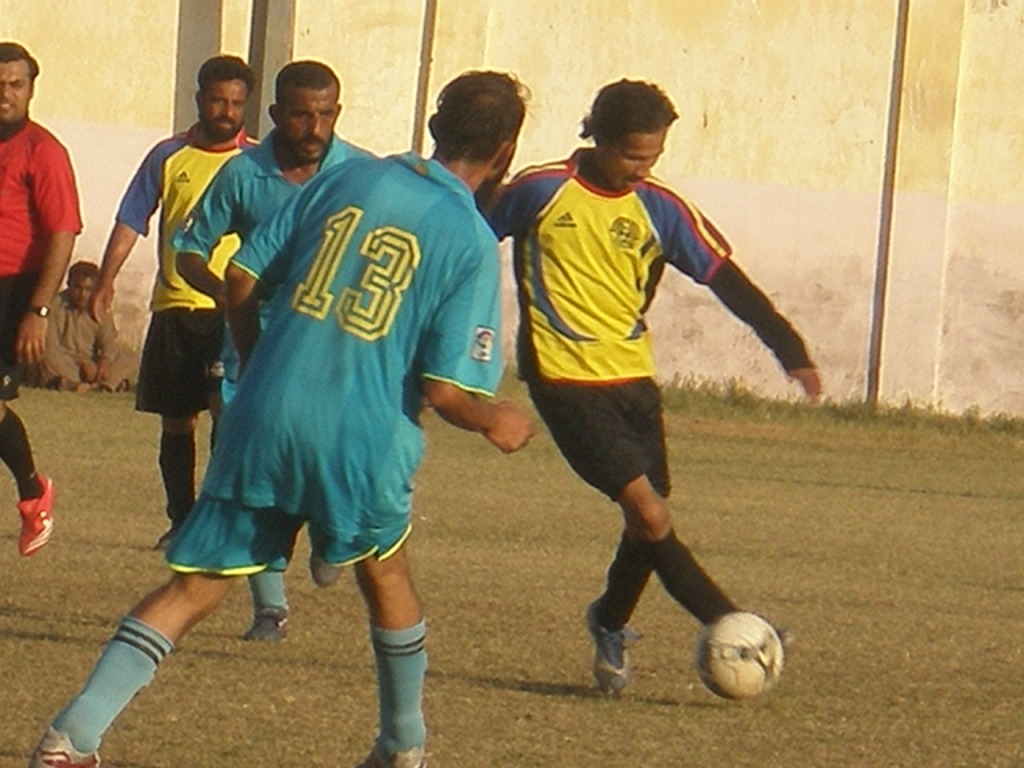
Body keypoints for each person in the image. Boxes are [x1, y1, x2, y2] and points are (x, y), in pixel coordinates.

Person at [29, 70, 533, 768]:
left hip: (265, 412)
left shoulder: (347, 178)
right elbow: (446, 391)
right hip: (359, 434)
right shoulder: (469, 237)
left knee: (196, 585)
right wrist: (496, 418)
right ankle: (402, 745)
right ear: (505, 151)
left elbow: (241, 276)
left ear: (434, 128)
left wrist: (258, 358)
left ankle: (71, 737)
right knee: (385, 575)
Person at [487, 79, 821, 696]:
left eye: (653, 157)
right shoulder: (542, 189)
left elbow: (725, 279)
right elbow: (468, 236)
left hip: (633, 377)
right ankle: (734, 624)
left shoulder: (660, 207)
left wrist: (788, 347)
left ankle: (609, 620)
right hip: (563, 378)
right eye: (632, 156)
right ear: (599, 138)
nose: (642, 168)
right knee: (649, 512)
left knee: (648, 523)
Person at [172, 59, 372, 642]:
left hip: (333, 343)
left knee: (331, 453)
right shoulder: (242, 174)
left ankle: (332, 530)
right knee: (251, 467)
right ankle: (271, 607)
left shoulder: (362, 174)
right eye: (303, 116)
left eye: (326, 115)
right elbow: (190, 249)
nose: (316, 127)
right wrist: (230, 296)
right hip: (253, 344)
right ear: (277, 114)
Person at [89, 55, 257, 550]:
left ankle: (218, 519)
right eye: (218, 101)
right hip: (176, 306)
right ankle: (181, 520)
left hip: (233, 311)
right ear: (199, 99)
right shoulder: (168, 155)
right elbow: (132, 218)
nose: (227, 111)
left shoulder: (257, 163)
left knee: (228, 413)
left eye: (236, 103)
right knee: (178, 419)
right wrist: (106, 280)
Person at [0, 42, 82, 556]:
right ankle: (32, 493)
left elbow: (62, 232)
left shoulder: (43, 151)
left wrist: (38, 309)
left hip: (13, 290)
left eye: (15, 85)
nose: (5, 94)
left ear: (31, 88)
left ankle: (33, 494)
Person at [35, 261, 135, 392]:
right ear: (68, 284)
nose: (82, 294)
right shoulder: (54, 305)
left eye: (88, 290)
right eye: (78, 288)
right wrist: (81, 361)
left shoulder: (99, 308)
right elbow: (50, 345)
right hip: (66, 362)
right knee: (44, 355)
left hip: (92, 364)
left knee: (130, 358)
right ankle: (91, 384)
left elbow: (108, 343)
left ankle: (97, 385)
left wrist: (104, 361)